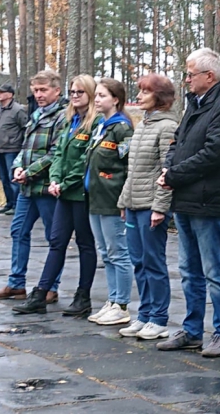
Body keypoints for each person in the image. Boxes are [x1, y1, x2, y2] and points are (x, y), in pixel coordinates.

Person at [154, 48, 220, 358]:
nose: (187, 79)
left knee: (213, 271)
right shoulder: (194, 104)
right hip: (185, 200)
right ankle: (192, 330)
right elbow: (176, 142)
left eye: (191, 73)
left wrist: (174, 174)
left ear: (210, 76)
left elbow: (213, 154)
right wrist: (168, 168)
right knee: (189, 270)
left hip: (207, 201)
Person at [12, 75, 101, 316]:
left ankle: (83, 297)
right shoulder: (73, 120)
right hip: (62, 191)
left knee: (85, 244)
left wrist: (65, 182)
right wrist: (54, 178)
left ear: (91, 94)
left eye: (80, 92)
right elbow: (60, 153)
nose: (74, 96)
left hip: (81, 193)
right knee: (57, 242)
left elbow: (86, 159)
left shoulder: (96, 122)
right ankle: (40, 293)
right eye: (72, 92)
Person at [0, 70, 68, 303]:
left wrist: (30, 172)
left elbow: (56, 153)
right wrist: (17, 167)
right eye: (36, 90)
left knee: (54, 237)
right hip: (26, 188)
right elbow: (25, 147)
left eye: (43, 90)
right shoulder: (35, 114)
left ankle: (51, 286)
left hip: (45, 188)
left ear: (56, 90)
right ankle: (16, 283)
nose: (39, 95)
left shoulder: (62, 117)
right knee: (18, 231)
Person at [117, 74, 178, 340]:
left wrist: (160, 207)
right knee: (138, 262)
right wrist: (123, 201)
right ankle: (144, 314)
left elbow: (167, 170)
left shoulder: (167, 127)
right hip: (133, 204)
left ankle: (159, 318)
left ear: (160, 97)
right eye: (139, 91)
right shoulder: (143, 124)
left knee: (154, 262)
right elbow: (134, 169)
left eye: (145, 92)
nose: (139, 96)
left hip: (150, 206)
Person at [85, 78, 134, 326]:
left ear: (116, 99)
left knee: (118, 252)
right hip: (95, 197)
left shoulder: (122, 129)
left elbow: (127, 165)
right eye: (96, 95)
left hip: (112, 199)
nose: (97, 99)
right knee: (105, 252)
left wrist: (124, 198)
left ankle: (122, 304)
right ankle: (113, 299)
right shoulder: (100, 126)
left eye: (102, 95)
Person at [0, 84, 28, 215]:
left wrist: (21, 146)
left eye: (1, 92)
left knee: (12, 177)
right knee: (4, 178)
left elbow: (25, 128)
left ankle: (17, 205)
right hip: (0, 148)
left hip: (13, 148)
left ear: (10, 94)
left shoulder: (18, 110)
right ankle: (9, 203)